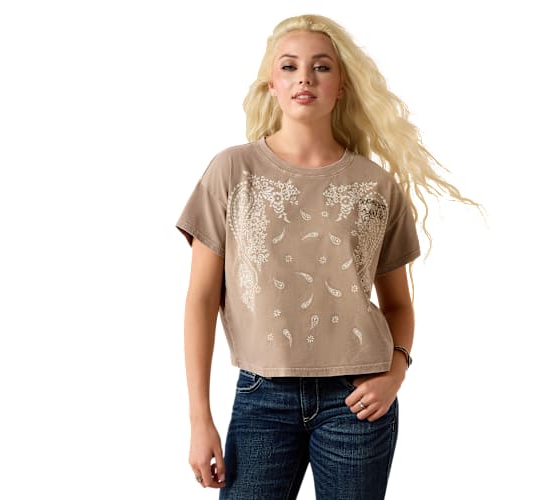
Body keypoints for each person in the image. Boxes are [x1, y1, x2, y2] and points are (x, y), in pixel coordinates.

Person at [175, 14, 480, 499]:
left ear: (341, 87)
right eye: (289, 67)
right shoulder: (232, 170)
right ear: (271, 85)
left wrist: (395, 374)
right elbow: (201, 299)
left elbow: (398, 305)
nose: (305, 78)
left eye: (321, 67)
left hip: (357, 399)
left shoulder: (375, 185)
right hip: (262, 397)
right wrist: (199, 419)